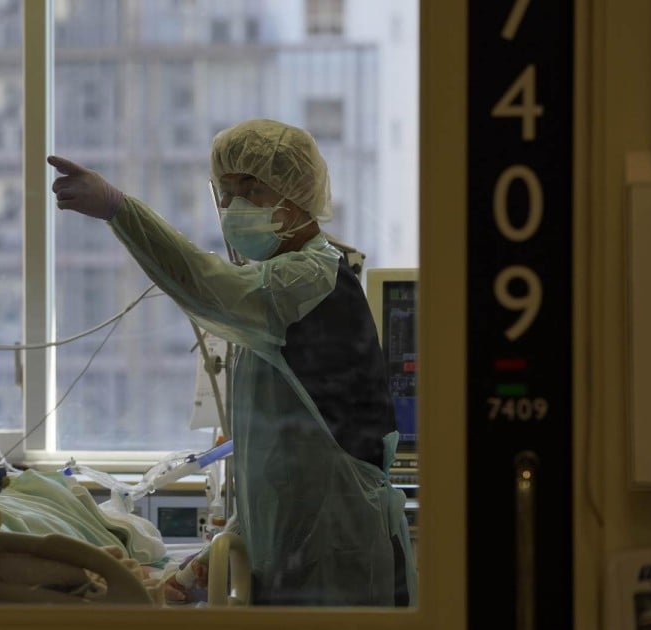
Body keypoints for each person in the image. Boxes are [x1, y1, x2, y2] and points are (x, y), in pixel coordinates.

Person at [48, 119, 417, 607]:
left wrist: (120, 210)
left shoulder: (307, 280)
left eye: (252, 188)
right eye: (226, 192)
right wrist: (200, 567)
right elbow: (282, 479)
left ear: (296, 193)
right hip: (304, 553)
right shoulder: (277, 296)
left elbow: (206, 284)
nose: (233, 205)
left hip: (341, 559)